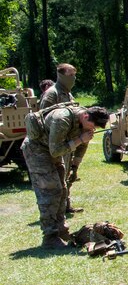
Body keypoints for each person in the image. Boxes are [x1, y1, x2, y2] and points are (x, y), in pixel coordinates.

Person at [20, 105, 109, 248]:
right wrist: (80, 139)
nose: (94, 129)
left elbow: (82, 145)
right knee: (49, 190)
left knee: (62, 189)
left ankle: (61, 230)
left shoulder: (84, 122)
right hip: (37, 151)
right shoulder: (61, 119)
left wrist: (74, 166)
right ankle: (49, 237)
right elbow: (55, 150)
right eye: (94, 125)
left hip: (52, 151)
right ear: (86, 116)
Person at [39, 63, 85, 214]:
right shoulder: (52, 93)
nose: (74, 78)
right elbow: (43, 117)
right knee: (58, 177)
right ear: (62, 75)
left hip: (67, 141)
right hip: (56, 143)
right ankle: (58, 209)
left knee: (67, 174)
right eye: (71, 75)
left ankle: (66, 204)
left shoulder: (67, 93)